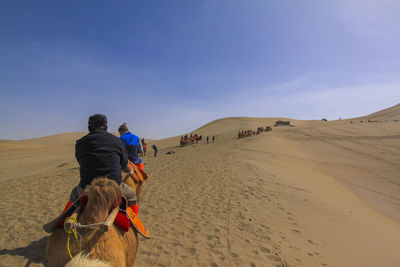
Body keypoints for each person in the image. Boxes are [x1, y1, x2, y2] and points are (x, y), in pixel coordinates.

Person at [69, 114, 139, 215]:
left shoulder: (80, 143)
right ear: (106, 127)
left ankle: (62, 221)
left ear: (89, 127)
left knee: (74, 194)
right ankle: (134, 224)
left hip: (87, 187)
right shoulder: (117, 140)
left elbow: (80, 161)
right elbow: (123, 163)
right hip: (114, 186)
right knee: (132, 194)